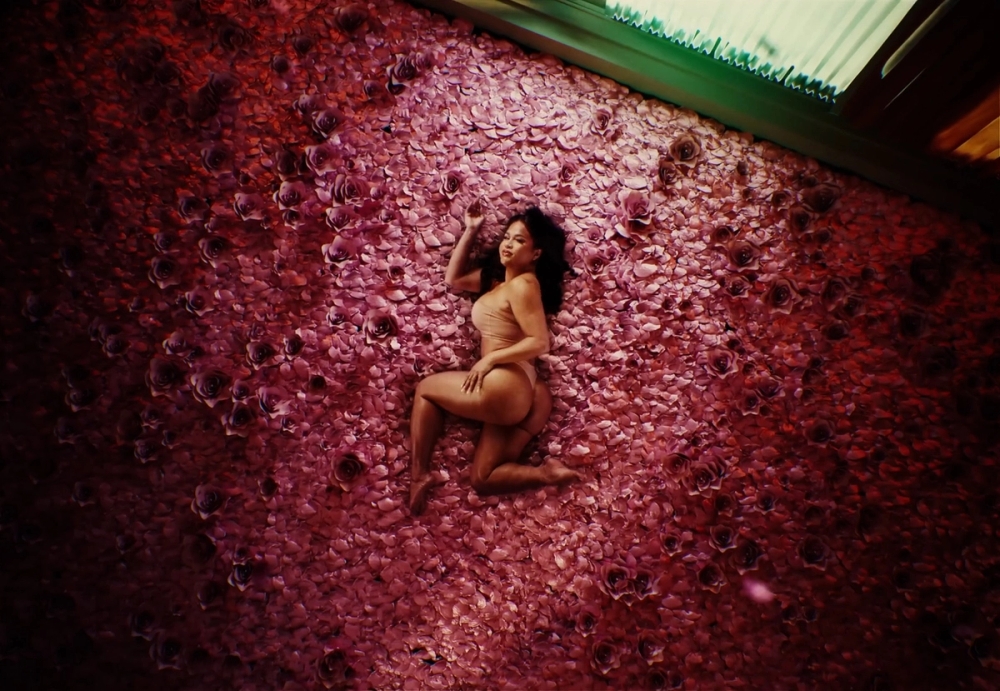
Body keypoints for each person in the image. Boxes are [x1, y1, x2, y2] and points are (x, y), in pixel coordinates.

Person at [408, 201, 581, 515]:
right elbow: (454, 279)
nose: (508, 244)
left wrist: (490, 360)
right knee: (483, 478)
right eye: (507, 237)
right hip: (528, 391)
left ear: (536, 253)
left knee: (425, 390)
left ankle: (420, 473)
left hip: (507, 383)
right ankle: (546, 474)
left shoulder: (524, 285)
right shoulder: (500, 284)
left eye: (519, 240)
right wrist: (471, 229)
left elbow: (539, 341)